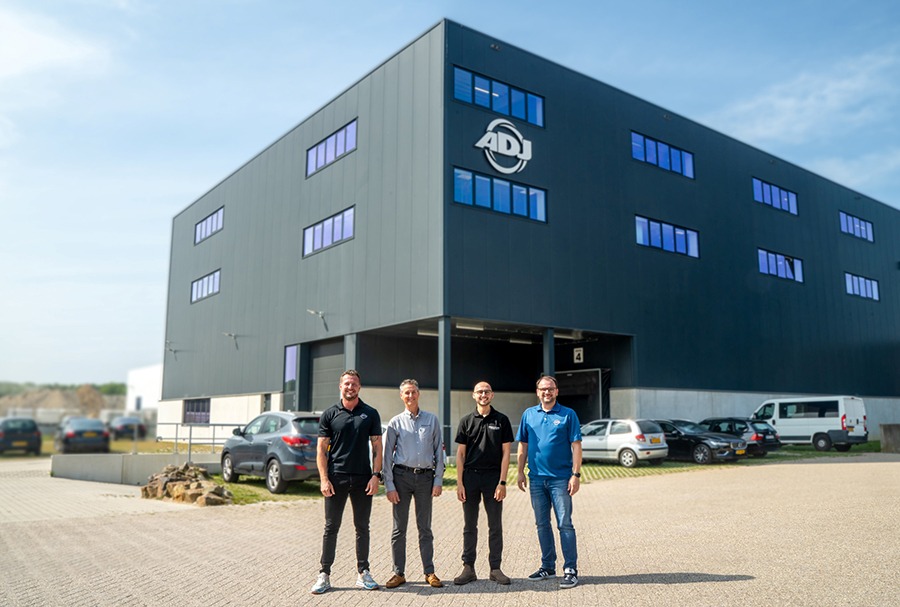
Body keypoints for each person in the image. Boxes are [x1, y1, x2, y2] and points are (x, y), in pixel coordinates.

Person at [310, 370, 384, 595]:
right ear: (340, 386)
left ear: (359, 387)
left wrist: (376, 475)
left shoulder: (370, 413)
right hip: (336, 478)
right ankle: (324, 574)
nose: (350, 387)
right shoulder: (330, 414)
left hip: (363, 479)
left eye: (354, 384)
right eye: (347, 384)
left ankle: (363, 573)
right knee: (331, 527)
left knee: (362, 527)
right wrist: (324, 479)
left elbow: (377, 446)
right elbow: (321, 450)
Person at [515, 375, 583, 589]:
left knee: (565, 524)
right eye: (543, 389)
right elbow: (523, 446)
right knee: (542, 524)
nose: (547, 392)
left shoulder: (568, 414)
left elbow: (576, 446)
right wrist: (519, 472)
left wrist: (576, 475)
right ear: (537, 392)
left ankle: (570, 569)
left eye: (550, 388)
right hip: (536, 479)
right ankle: (548, 566)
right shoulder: (528, 414)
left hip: (561, 480)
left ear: (556, 391)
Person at [382, 378, 445, 589]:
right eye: (406, 393)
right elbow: (386, 457)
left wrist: (438, 480)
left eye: (413, 392)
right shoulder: (395, 422)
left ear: (419, 394)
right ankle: (398, 573)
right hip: (401, 478)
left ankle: (429, 572)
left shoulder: (432, 420)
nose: (410, 396)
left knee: (425, 528)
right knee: (399, 529)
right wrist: (389, 485)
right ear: (401, 396)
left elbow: (439, 452)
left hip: (425, 479)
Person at [453, 380, 514, 585]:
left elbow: (506, 453)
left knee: (495, 526)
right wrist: (460, 483)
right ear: (474, 395)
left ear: (492, 395)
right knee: (469, 525)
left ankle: (495, 568)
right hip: (470, 478)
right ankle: (468, 568)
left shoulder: (502, 420)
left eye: (487, 391)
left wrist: (502, 482)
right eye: (479, 392)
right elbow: (460, 455)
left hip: (493, 479)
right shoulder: (466, 421)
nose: (483, 395)